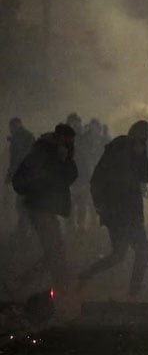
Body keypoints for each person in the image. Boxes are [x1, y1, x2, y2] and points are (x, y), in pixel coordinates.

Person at [78, 121, 148, 296]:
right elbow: (97, 179)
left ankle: (85, 275)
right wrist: (101, 206)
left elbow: (147, 175)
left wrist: (141, 155)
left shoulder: (137, 150)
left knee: (119, 255)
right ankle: (134, 292)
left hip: (126, 211)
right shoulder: (118, 148)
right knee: (140, 251)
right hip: (119, 211)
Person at [12, 124, 78, 292]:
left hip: (46, 207)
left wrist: (65, 160)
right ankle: (59, 286)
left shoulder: (57, 151)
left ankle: (28, 281)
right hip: (40, 207)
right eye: (68, 140)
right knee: (55, 250)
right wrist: (61, 163)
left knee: (55, 250)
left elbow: (70, 176)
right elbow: (40, 177)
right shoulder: (43, 151)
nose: (70, 144)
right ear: (60, 138)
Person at [5, 117, 35, 238]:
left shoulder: (24, 137)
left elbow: (19, 159)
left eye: (12, 127)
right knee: (22, 204)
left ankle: (26, 231)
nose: (11, 129)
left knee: (23, 204)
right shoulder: (23, 137)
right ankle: (26, 230)